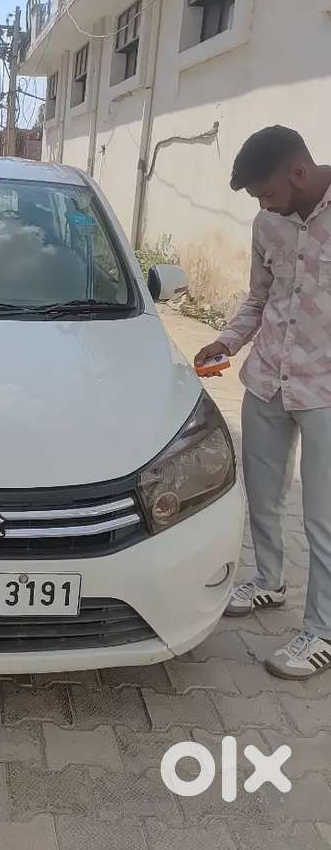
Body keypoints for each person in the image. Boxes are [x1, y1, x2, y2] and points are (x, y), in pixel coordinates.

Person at [195, 126, 331, 680]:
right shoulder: (266, 224)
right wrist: (226, 340)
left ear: (298, 173)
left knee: (322, 518)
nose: (263, 205)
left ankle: (322, 632)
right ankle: (269, 582)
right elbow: (260, 296)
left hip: (325, 392)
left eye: (266, 194)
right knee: (264, 495)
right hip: (267, 380)